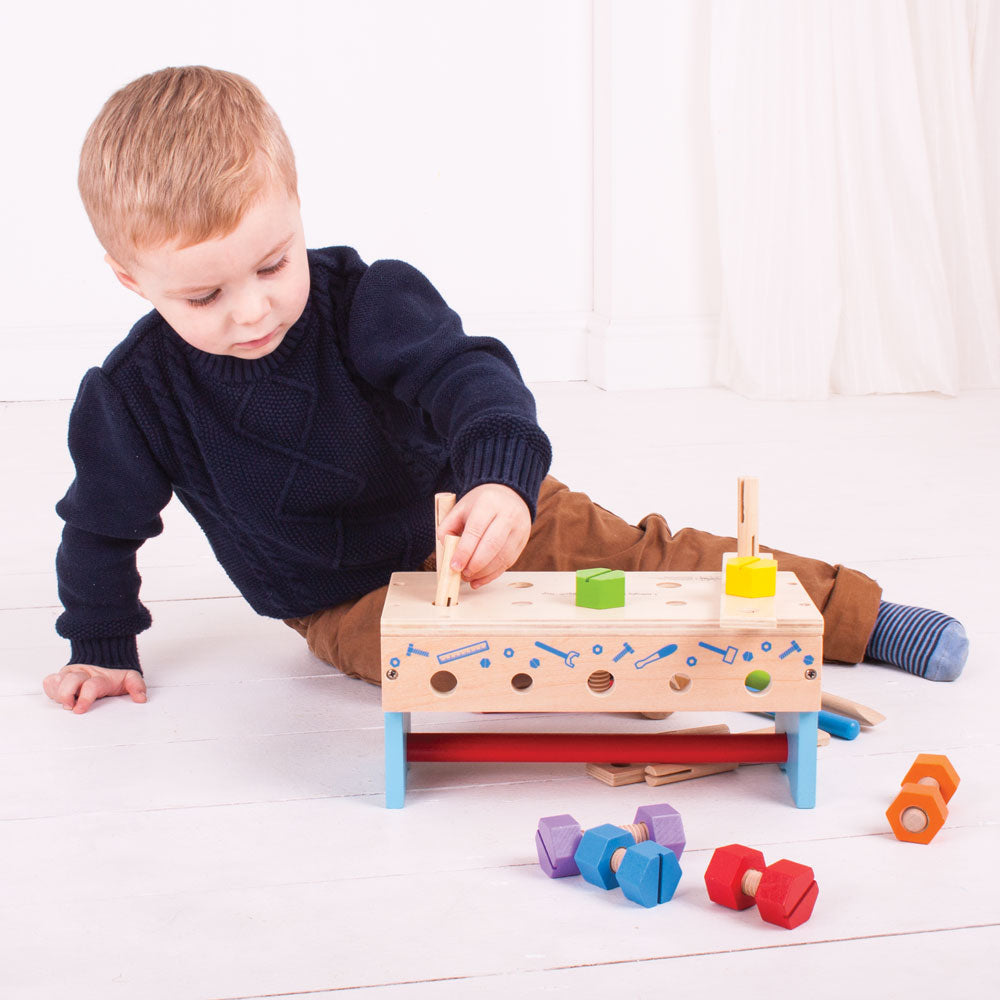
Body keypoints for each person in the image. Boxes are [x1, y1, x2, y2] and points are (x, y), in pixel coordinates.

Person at [43, 66, 967, 715]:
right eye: (204, 295)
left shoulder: (365, 300)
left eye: (273, 263)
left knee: (646, 562)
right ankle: (652, 691)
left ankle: (857, 617)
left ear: (296, 210)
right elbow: (100, 525)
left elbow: (471, 378)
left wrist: (499, 483)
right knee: (469, 660)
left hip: (489, 508)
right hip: (344, 602)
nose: (252, 311)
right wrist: (100, 644)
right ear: (134, 282)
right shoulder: (134, 396)